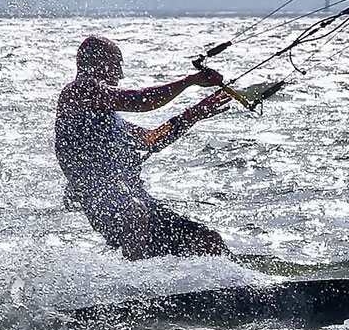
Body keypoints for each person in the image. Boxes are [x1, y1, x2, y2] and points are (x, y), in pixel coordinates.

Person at [55, 35, 232, 260]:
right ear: (98, 62)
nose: (120, 74)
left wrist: (193, 114)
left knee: (208, 240)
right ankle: (137, 287)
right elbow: (140, 101)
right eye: (116, 64)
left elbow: (152, 140)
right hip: (105, 203)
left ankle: (242, 287)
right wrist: (189, 81)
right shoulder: (77, 93)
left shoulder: (109, 117)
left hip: (137, 201)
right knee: (135, 212)